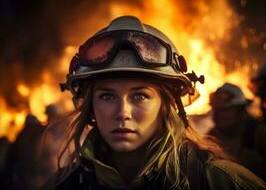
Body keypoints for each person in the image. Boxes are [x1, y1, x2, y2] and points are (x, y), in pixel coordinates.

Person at [42, 16, 266, 190]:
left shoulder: (221, 182)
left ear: (166, 105)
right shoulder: (62, 186)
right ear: (90, 106)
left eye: (139, 96)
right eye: (107, 96)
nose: (123, 113)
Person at [209, 82, 266, 180]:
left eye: (224, 110)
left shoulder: (258, 133)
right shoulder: (211, 139)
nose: (216, 116)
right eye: (215, 110)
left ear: (239, 110)